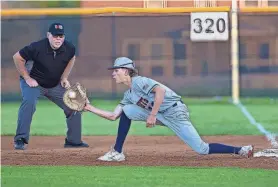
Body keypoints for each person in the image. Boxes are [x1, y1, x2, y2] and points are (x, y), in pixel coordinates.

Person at [84, 57, 254, 162]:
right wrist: (89, 107)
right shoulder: (129, 94)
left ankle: (240, 150)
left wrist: (152, 115)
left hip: (175, 112)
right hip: (160, 114)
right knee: (127, 110)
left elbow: (161, 91)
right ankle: (117, 152)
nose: (113, 73)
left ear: (127, 71)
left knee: (201, 149)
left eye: (116, 70)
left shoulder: (139, 81)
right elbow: (114, 116)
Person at [13, 22, 89, 150]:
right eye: (55, 36)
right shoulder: (37, 47)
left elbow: (72, 58)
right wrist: (27, 78)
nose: (58, 39)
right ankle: (20, 139)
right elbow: (17, 57)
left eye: (60, 36)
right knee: (29, 102)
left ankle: (73, 141)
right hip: (34, 83)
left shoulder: (69, 48)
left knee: (74, 105)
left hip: (54, 85)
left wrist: (64, 77)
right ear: (48, 35)